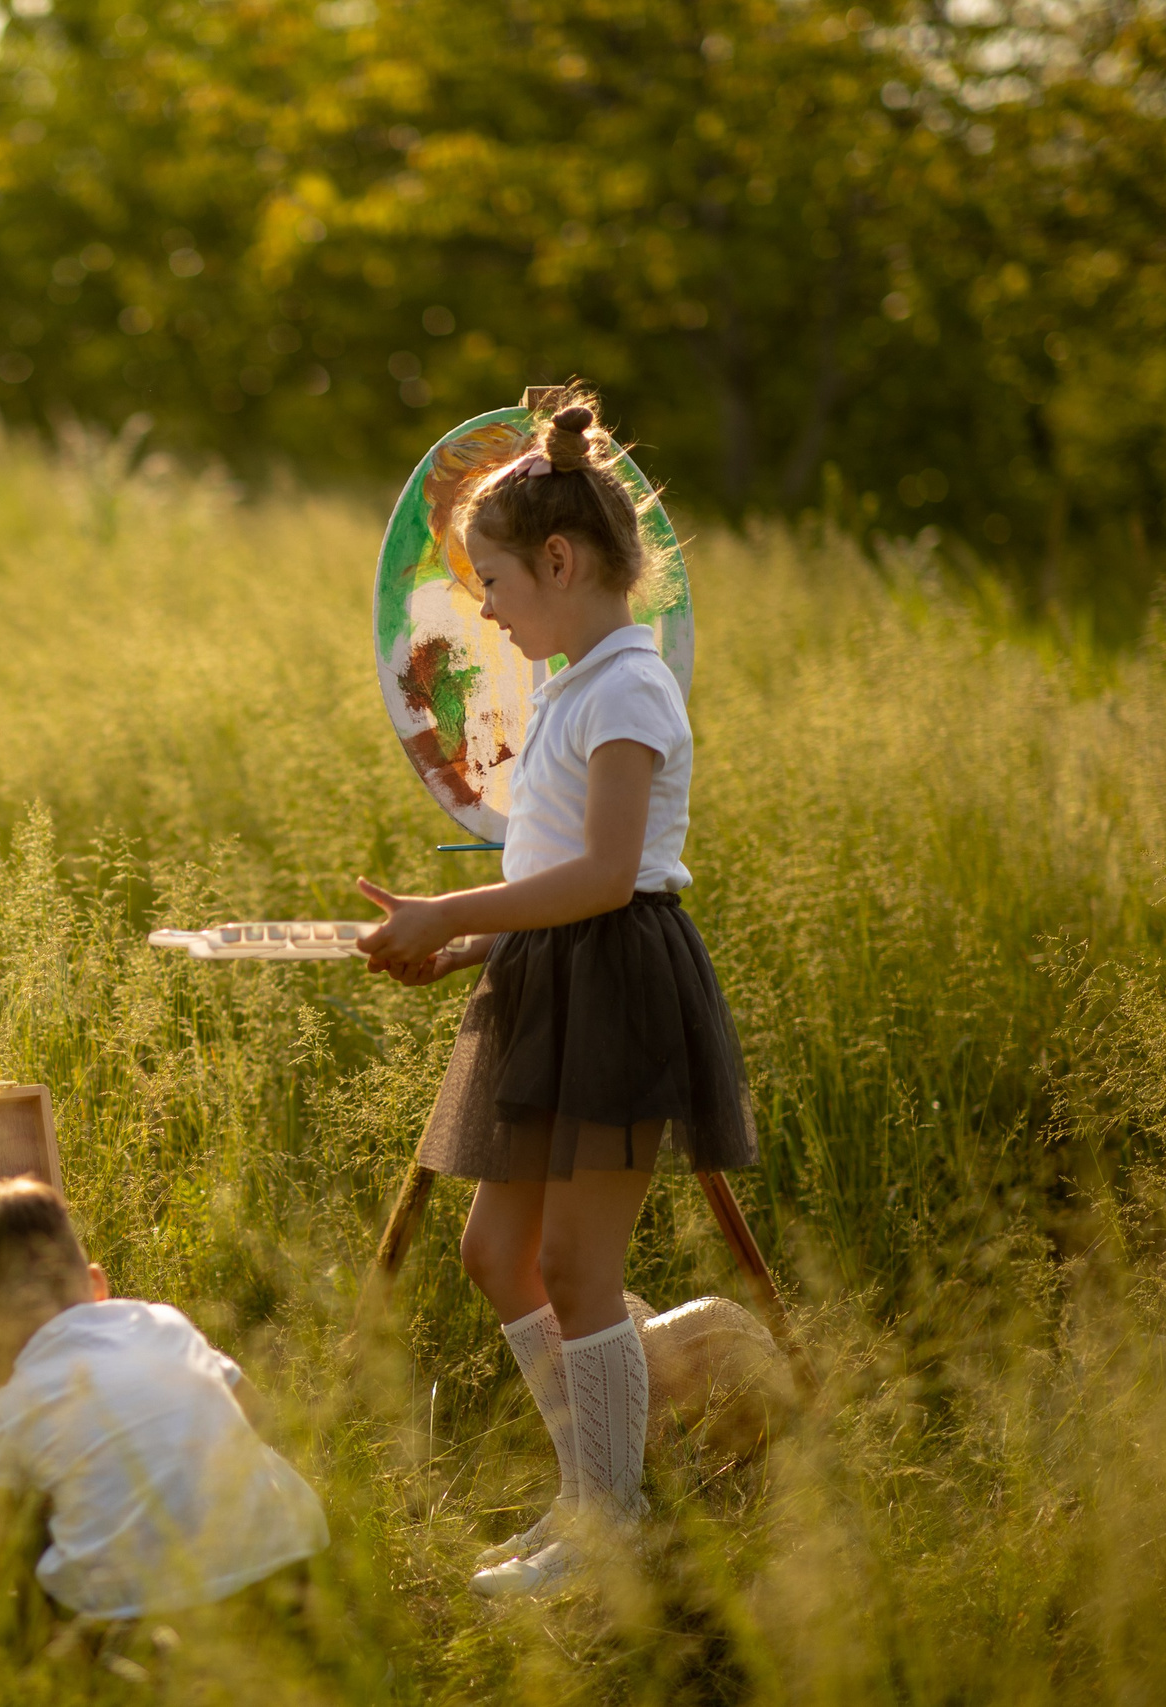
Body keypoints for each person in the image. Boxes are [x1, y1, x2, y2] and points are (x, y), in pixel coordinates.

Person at [353, 392, 758, 1599]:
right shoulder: (578, 684)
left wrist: (450, 913)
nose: (482, 605)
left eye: (493, 581)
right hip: (556, 976)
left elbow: (602, 878)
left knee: (578, 1266)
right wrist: (461, 950)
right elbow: (552, 884)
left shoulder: (629, 688)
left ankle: (614, 1523)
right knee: (497, 1250)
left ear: (562, 561)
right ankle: (589, 1491)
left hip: (619, 990)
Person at [0, 1177, 330, 1623]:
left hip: (141, 1626)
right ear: (97, 1286)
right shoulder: (163, 1323)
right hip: (286, 1571)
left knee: (30, 1550)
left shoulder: (10, 1410)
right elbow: (258, 1414)